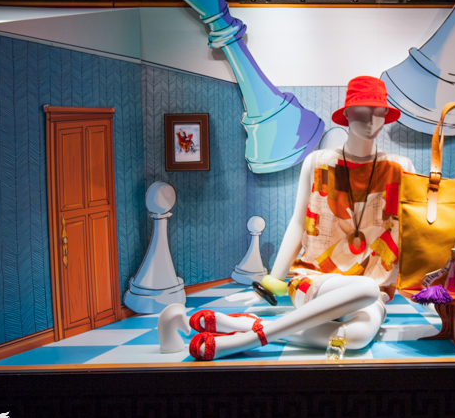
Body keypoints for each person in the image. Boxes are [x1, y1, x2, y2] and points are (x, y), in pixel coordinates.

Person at [164, 76, 415, 360]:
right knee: (365, 289)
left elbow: (412, 230)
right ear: (346, 114)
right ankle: (245, 336)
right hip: (317, 279)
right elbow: (298, 223)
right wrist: (269, 285)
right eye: (362, 112)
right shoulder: (317, 162)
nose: (372, 121)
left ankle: (244, 329)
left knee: (358, 337)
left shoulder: (400, 168)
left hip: (372, 290)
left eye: (379, 113)